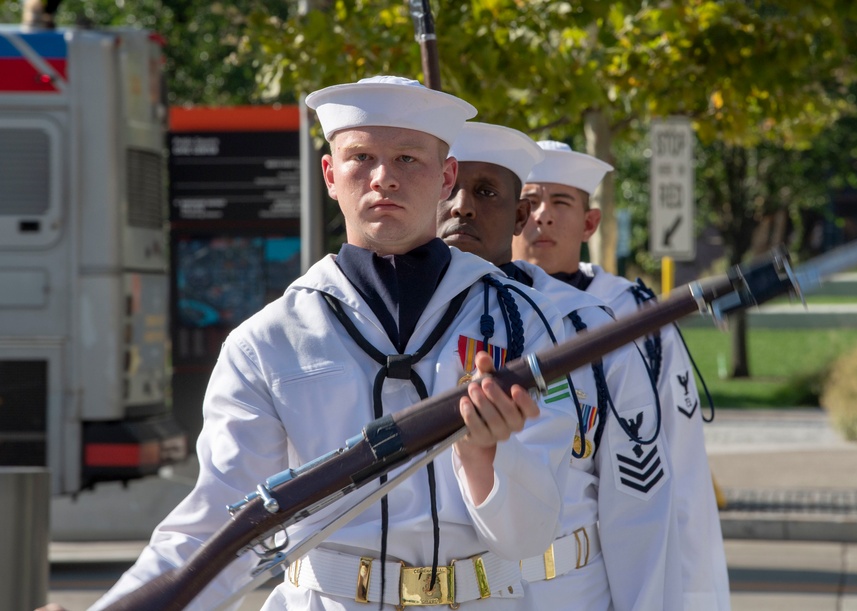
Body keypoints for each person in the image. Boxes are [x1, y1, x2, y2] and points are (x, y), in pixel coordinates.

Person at [84, 77, 578, 611]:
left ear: (445, 177)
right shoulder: (267, 341)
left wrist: (485, 458)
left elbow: (532, 534)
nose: (384, 177)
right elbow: (216, 528)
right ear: (329, 175)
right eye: (361, 157)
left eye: (408, 158)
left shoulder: (522, 322)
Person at [437, 122, 683, 610]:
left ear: (519, 216)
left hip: (565, 592)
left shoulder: (588, 327)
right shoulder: (387, 328)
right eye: (450, 188)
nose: (462, 206)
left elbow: (638, 504)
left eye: (486, 192)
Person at [511, 140, 732, 611]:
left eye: (560, 202)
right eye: (529, 202)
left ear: (590, 223)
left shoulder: (638, 317)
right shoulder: (476, 306)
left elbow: (682, 475)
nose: (542, 216)